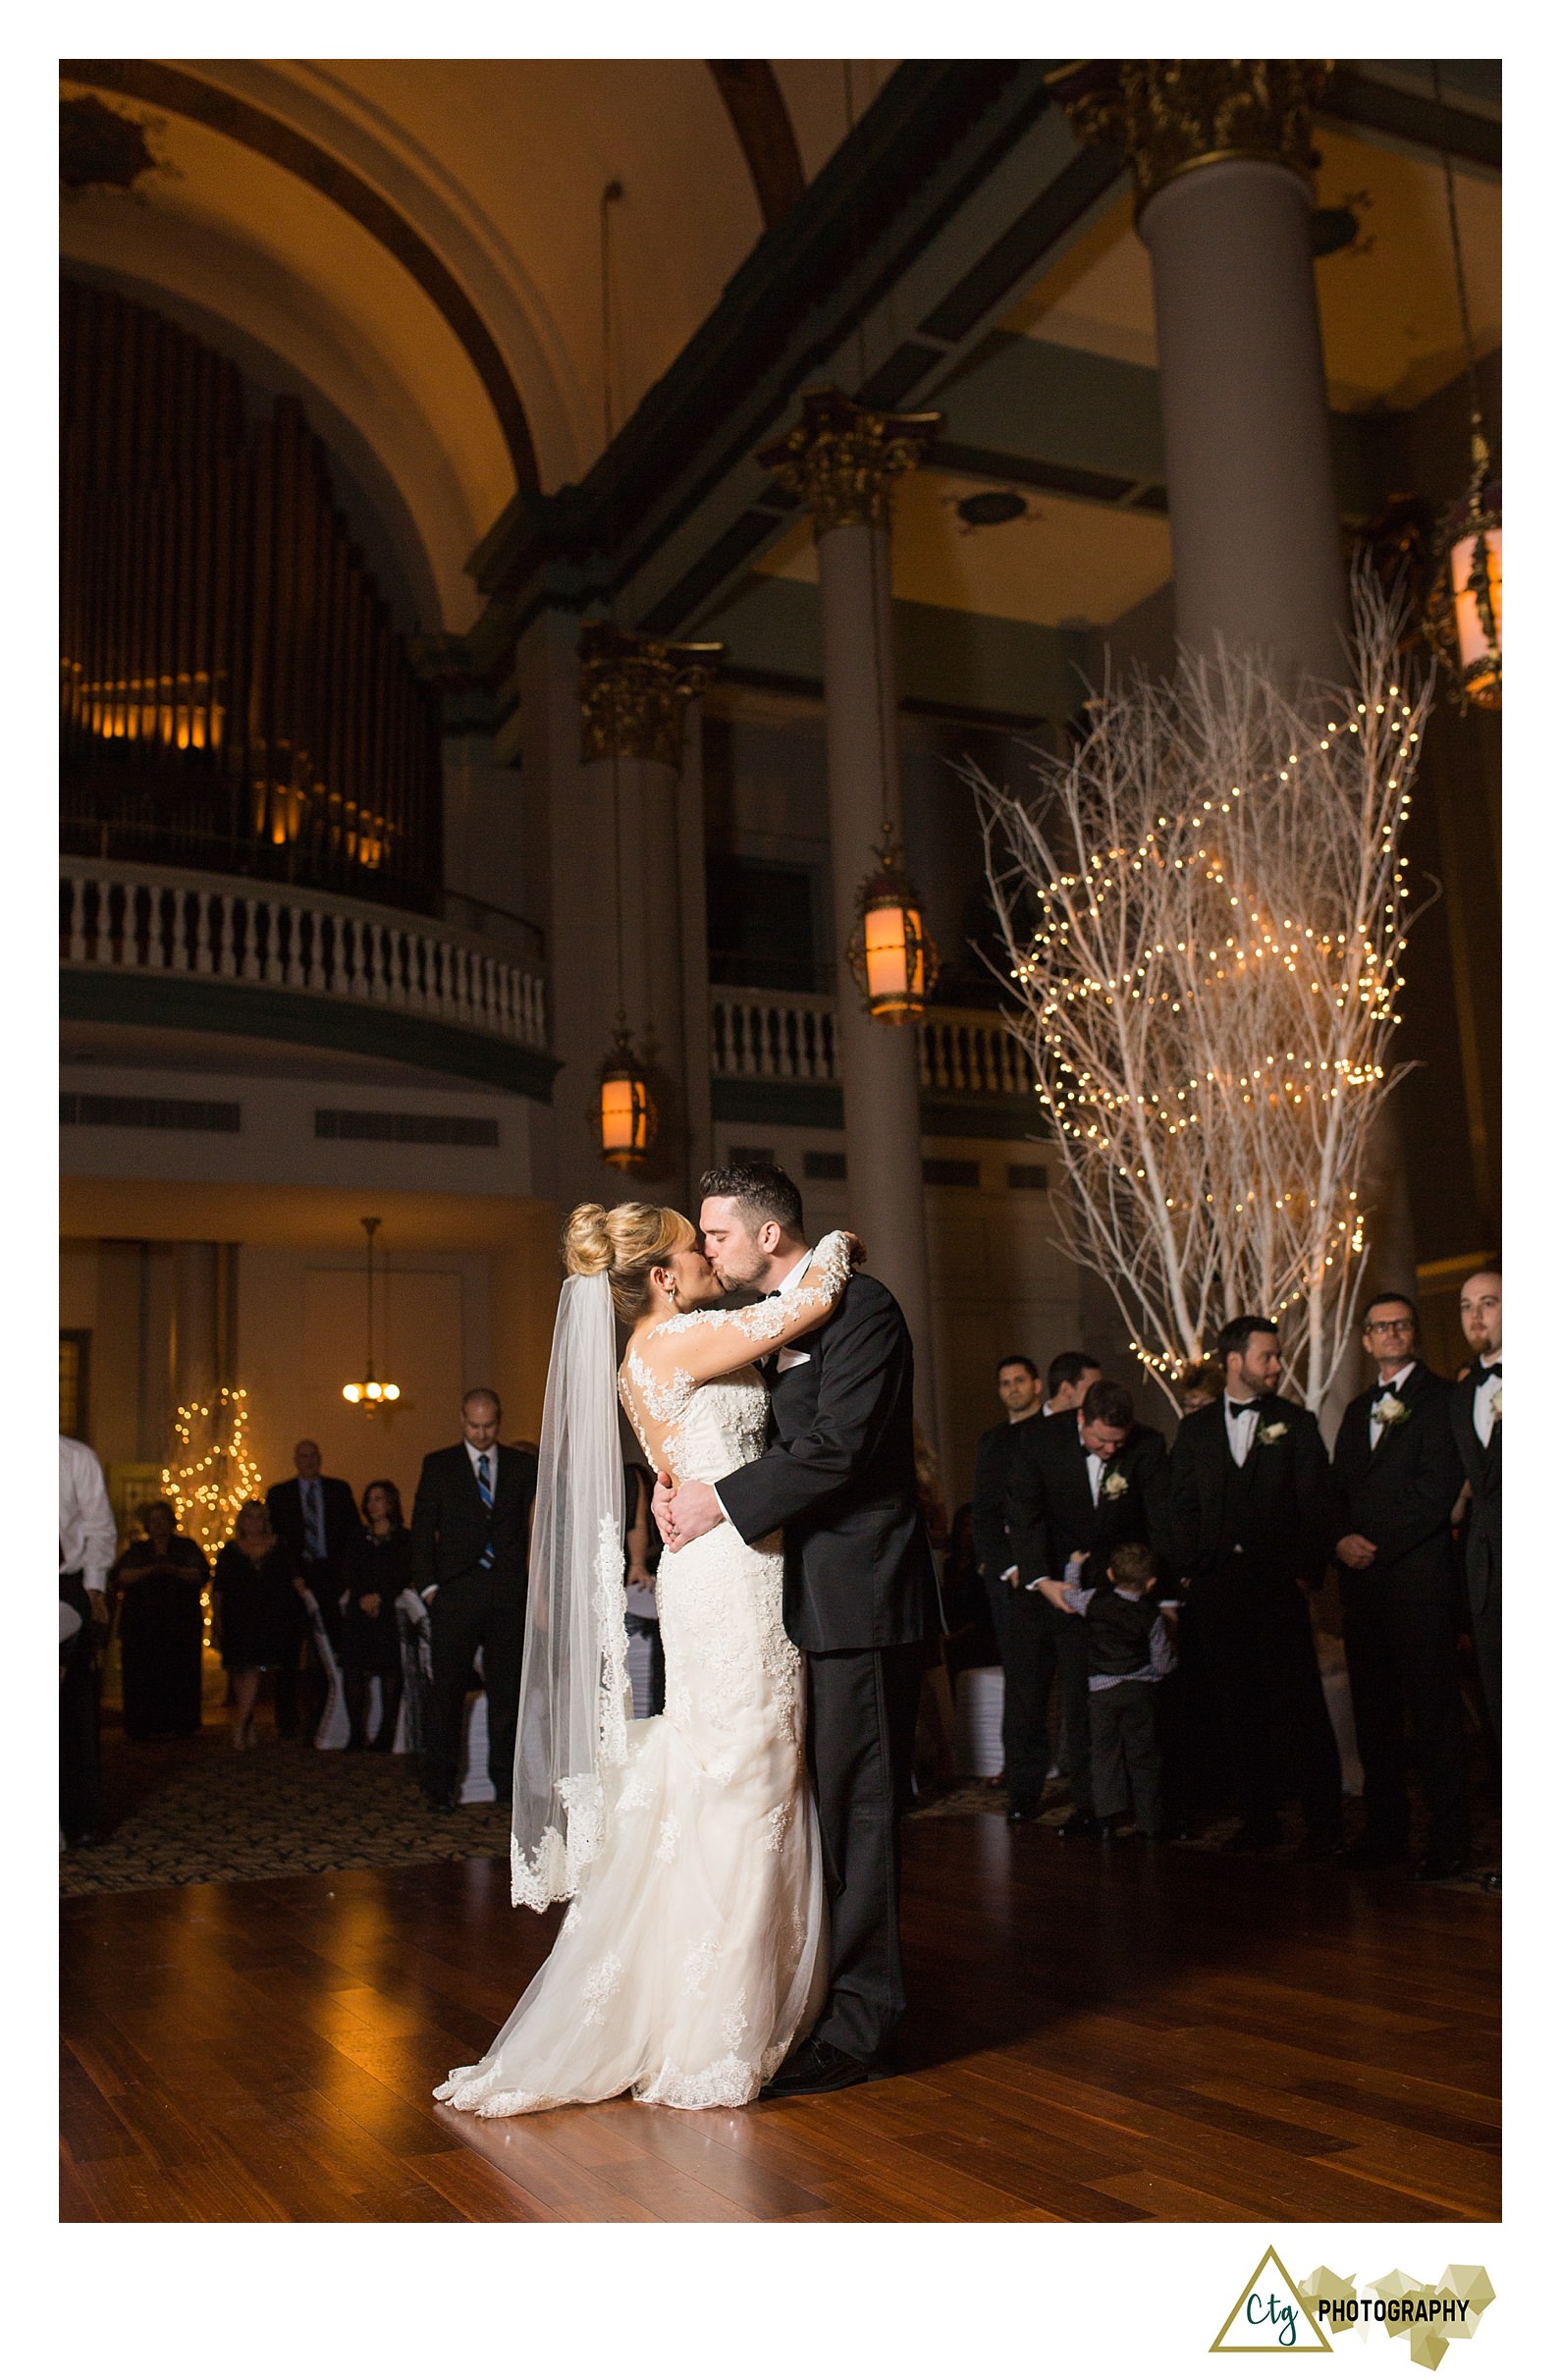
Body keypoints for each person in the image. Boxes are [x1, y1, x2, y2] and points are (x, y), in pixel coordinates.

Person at [434, 1197, 860, 2119]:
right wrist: (833, 1241)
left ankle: (709, 1999)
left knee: (732, 1774)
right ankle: (721, 2025)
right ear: (662, 1277)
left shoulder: (660, 1351)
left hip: (714, 1562)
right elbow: (806, 1302)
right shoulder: (670, 1345)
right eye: (693, 1245)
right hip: (729, 1577)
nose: (711, 1254)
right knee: (747, 1775)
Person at [659, 1163, 942, 2098]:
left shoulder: (864, 1311)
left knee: (862, 1814)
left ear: (769, 1235)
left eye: (718, 1235)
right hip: (784, 1604)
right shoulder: (775, 1324)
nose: (705, 1250)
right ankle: (814, 1997)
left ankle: (864, 2024)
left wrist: (717, 1504)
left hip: (859, 1597)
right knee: (807, 1814)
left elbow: (840, 1449)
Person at [1167, 1315, 1343, 1858]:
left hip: (1274, 1583)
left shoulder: (1296, 1421)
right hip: (1218, 1588)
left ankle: (1324, 1824)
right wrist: (1194, 1569)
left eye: (1276, 1356)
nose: (1276, 1365)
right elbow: (1180, 1505)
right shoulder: (1194, 1430)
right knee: (1236, 1706)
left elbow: (1317, 1503)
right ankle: (1257, 1818)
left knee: (1299, 1705)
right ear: (1234, 1361)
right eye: (1267, 1356)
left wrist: (1300, 1570)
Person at [1332, 1292, 1471, 1881]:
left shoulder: (1442, 1400)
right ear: (1365, 1340)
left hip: (1417, 1583)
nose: (1391, 1334)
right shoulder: (1356, 1407)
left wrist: (1373, 1542)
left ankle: (1449, 1840)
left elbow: (1438, 1489)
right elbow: (1336, 1488)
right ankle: (1384, 1831)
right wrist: (1339, 1537)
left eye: (1401, 1325)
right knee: (1375, 1717)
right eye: (1380, 1327)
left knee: (1434, 1717)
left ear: (1413, 1334)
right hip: (1362, 1592)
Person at [1002, 1379, 1170, 1830]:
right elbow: (1024, 1513)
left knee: (1085, 1703)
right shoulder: (1039, 1439)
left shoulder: (1148, 1447)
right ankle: (1023, 1793)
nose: (1111, 1450)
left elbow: (1157, 1522)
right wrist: (1041, 1580)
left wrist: (1158, 1593)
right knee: (1028, 1695)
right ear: (1081, 1419)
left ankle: (1093, 1807)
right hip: (1046, 1583)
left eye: (1119, 1441)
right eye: (1101, 1440)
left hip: (1107, 1596)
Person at [409, 1390, 538, 1812]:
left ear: (498, 1421)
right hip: (456, 1592)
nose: (481, 1434)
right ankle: (440, 1787)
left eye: (488, 1426)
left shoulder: (521, 1466)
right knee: (445, 1694)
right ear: (462, 1420)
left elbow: (533, 1526)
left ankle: (505, 1787)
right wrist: (429, 1588)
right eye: (473, 1426)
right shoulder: (439, 1465)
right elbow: (422, 1530)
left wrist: (528, 1585)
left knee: (507, 1695)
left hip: (506, 1592)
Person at [1038, 1541, 1174, 1840]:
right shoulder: (1152, 1617)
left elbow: (1069, 1597)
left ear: (1110, 1575)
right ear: (1151, 1583)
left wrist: (1073, 1565)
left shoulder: (1095, 1602)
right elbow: (1163, 1664)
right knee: (1144, 1758)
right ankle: (1150, 1824)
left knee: (1104, 1756)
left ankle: (1106, 1819)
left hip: (1101, 1692)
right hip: (1139, 1692)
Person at [265, 1440, 359, 1739]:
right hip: (293, 1583)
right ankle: (287, 1721)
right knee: (289, 1653)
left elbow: (352, 1536)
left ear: (320, 1458)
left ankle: (325, 1716)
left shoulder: (338, 1490)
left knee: (329, 1651)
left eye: (313, 1456)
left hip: (330, 1580)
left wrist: (345, 1579)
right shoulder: (279, 1495)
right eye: (303, 1457)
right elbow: (276, 1542)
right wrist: (293, 1576)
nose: (308, 1461)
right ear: (295, 1460)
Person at [1448, 1269, 1501, 1758]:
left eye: (1489, 1302)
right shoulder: (1461, 1393)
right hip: (1485, 1563)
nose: (1476, 1315)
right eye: (1466, 1305)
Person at [211, 1502, 308, 1750]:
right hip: (237, 1617)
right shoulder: (230, 1551)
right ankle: (248, 1723)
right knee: (239, 1668)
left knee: (254, 1667)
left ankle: (239, 1726)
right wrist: (218, 1618)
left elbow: (294, 1576)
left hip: (269, 1617)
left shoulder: (279, 1546)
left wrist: (307, 1599)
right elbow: (219, 1589)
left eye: (258, 1517)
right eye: (249, 1517)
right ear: (241, 1521)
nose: (254, 1522)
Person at [60, 1433, 117, 1847]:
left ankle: (79, 1819)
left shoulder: (74, 1457)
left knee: (72, 1710)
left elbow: (99, 1528)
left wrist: (94, 1591)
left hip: (64, 1588)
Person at [970, 1355, 1045, 1677]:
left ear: (1036, 1385)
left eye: (1019, 1380)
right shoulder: (992, 1441)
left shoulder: (1054, 1430)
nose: (1012, 1389)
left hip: (1047, 1561)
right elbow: (984, 1507)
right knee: (1019, 1669)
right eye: (1005, 1383)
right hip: (1006, 1572)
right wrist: (1002, 1563)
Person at [113, 1500, 208, 1738]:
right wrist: (150, 1570)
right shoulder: (137, 1551)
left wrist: (174, 1571)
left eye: (162, 1519)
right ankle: (142, 1724)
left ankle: (180, 1724)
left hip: (179, 1623)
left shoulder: (185, 1547)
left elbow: (201, 1574)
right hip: (141, 1625)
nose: (158, 1525)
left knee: (179, 1672)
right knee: (142, 1673)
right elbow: (120, 1576)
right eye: (153, 1520)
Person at [339, 1481, 410, 1752]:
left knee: (391, 1669)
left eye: (379, 1499)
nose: (373, 1504)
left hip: (389, 1610)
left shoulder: (404, 1538)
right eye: (369, 1499)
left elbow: (403, 1572)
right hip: (360, 1608)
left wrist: (381, 1595)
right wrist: (364, 1596)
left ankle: (386, 1732)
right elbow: (350, 1570)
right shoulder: (358, 1537)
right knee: (353, 1669)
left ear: (390, 1503)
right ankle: (356, 1732)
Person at [1043, 1351, 1103, 1416]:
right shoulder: (1033, 1424)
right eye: (1092, 1389)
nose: (1099, 1395)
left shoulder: (1099, 1422)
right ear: (1066, 1389)